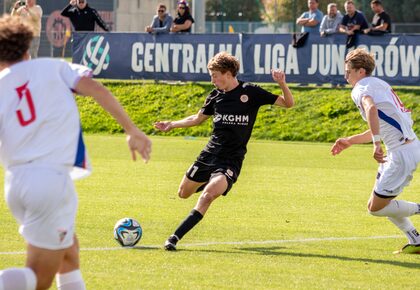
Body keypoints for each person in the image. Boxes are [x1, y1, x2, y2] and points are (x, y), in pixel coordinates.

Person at [0, 15, 151, 290]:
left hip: (16, 185)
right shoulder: (54, 67)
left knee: (69, 252)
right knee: (39, 278)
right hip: (50, 181)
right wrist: (132, 130)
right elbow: (95, 88)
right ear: (27, 47)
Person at [154, 52, 294, 251]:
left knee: (208, 196)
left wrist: (282, 84)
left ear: (228, 73)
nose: (212, 80)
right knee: (183, 193)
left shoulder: (250, 92)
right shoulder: (215, 96)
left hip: (231, 160)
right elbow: (196, 119)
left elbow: (288, 104)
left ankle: (174, 238)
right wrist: (171, 124)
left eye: (215, 76)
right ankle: (211, 181)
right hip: (209, 154)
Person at [331, 48, 420, 254]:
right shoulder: (380, 83)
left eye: (348, 72)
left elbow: (371, 109)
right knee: (382, 201)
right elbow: (380, 123)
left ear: (360, 71)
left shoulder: (360, 88)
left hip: (399, 153)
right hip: (407, 147)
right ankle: (415, 239)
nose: (346, 77)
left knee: (375, 208)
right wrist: (350, 141)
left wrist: (376, 143)